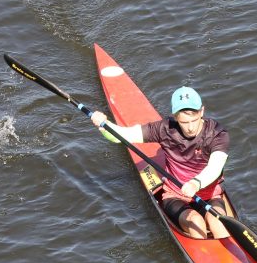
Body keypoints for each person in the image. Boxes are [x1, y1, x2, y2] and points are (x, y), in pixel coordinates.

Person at [89, 86, 230, 240]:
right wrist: (104, 125)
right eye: (184, 122)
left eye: (194, 120)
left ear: (202, 111)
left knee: (217, 222)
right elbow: (122, 136)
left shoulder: (217, 134)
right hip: (176, 195)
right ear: (175, 116)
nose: (190, 128)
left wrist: (195, 183)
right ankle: (206, 256)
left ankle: (234, 259)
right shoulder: (165, 129)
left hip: (209, 194)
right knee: (196, 221)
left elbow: (215, 167)